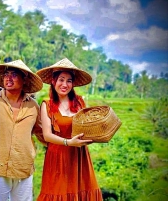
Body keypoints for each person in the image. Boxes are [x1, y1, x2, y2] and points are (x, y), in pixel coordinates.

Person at [36, 58, 103, 201]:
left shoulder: (79, 102)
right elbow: (47, 135)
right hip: (58, 157)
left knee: (82, 191)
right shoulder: (46, 105)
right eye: (61, 79)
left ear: (73, 84)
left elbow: (86, 126)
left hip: (79, 155)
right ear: (53, 81)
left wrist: (92, 136)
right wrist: (68, 142)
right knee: (58, 193)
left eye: (69, 81)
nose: (64, 84)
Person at [0, 59, 46, 201]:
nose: (8, 77)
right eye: (6, 74)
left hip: (23, 166)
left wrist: (64, 143)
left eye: (14, 74)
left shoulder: (33, 106)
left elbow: (42, 133)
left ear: (24, 80)